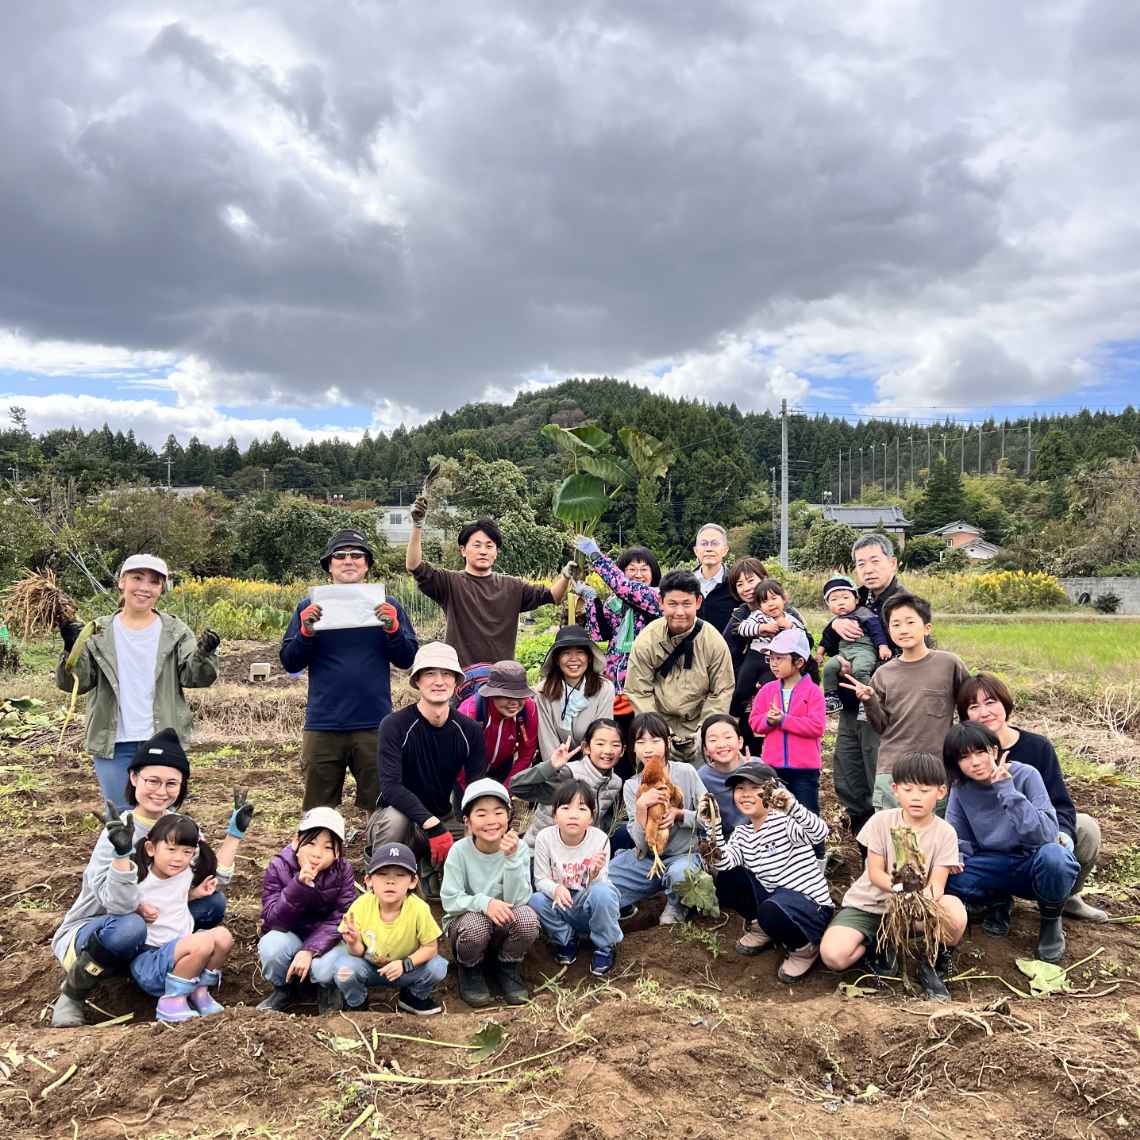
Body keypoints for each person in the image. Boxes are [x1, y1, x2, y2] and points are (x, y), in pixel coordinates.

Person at [49, 728, 226, 1028]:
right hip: (101, 928)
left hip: (152, 928)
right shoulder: (119, 830)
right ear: (134, 778)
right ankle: (73, 994)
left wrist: (234, 836)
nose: (161, 791)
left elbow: (207, 879)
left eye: (171, 783)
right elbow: (115, 905)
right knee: (130, 926)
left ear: (182, 786)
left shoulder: (182, 827)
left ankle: (168, 971)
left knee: (213, 904)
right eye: (152, 781)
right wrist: (122, 855)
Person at [56, 554, 219, 812]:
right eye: (137, 578)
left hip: (162, 738)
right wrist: (70, 648)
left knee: (162, 815)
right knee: (121, 817)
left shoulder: (175, 631)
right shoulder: (98, 631)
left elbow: (195, 677)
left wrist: (204, 654)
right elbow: (76, 683)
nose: (145, 587)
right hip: (113, 741)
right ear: (122, 582)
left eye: (154, 582)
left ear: (161, 589)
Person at [280, 528, 417, 814]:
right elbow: (291, 662)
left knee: (382, 808)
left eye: (357, 555)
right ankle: (321, 846)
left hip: (375, 723)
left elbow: (407, 659)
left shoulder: (386, 606)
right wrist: (306, 632)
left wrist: (392, 629)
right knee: (318, 811)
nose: (348, 560)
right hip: (323, 724)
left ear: (367, 565)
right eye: (340, 556)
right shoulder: (310, 607)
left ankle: (376, 845)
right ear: (329, 566)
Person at [958, 673, 1106, 924]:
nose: (984, 713)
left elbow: (1060, 803)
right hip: (990, 840)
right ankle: (994, 896)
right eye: (974, 707)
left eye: (991, 702)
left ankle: (1066, 895)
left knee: (1085, 828)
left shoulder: (1037, 748)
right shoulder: (964, 754)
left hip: (1036, 831)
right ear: (965, 715)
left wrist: (1060, 837)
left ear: (1005, 703)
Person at [820, 751, 968, 1000]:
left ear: (941, 792)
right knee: (834, 956)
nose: (916, 797)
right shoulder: (881, 821)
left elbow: (937, 884)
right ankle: (877, 945)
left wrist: (918, 900)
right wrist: (902, 889)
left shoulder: (945, 833)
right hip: (871, 905)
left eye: (924, 790)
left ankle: (932, 963)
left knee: (954, 912)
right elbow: (875, 873)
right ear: (895, 790)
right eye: (908, 789)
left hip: (915, 908)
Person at [943, 723, 1080, 964]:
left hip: (1032, 861)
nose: (975, 762)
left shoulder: (1026, 775)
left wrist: (1006, 789)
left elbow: (1046, 835)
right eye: (964, 757)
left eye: (980, 752)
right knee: (947, 873)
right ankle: (996, 900)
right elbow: (958, 837)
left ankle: (1050, 919)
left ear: (994, 751)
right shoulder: (961, 788)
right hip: (994, 864)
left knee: (1056, 858)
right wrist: (957, 860)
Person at [700, 761, 833, 982]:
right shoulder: (741, 833)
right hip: (775, 902)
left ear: (771, 792)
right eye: (740, 788)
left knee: (772, 910)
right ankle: (762, 928)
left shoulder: (785, 822)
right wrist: (712, 825)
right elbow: (723, 863)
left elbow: (820, 833)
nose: (746, 794)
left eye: (755, 788)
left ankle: (805, 947)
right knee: (728, 879)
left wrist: (793, 807)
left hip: (810, 907)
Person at [368, 643, 486, 883]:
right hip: (400, 818)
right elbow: (391, 788)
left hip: (442, 817)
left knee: (481, 834)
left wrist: (474, 823)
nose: (439, 681)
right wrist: (432, 825)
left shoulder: (469, 730)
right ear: (417, 681)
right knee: (395, 821)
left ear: (456, 682)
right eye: (430, 673)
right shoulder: (394, 725)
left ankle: (432, 871)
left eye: (446, 674)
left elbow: (476, 786)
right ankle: (381, 876)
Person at [121, 807, 251, 1023]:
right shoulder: (140, 876)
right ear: (151, 848)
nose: (178, 858)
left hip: (181, 954)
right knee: (202, 943)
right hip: (150, 961)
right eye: (171, 849)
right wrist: (137, 908)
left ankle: (199, 992)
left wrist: (235, 834)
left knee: (223, 937)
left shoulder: (185, 873)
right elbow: (117, 900)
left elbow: (220, 874)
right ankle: (171, 1001)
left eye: (186, 852)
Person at [841, 593, 969, 810]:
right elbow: (880, 727)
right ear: (889, 631)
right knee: (892, 829)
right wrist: (870, 701)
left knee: (933, 829)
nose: (903, 629)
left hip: (935, 768)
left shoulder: (949, 664)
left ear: (927, 628)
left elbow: (968, 707)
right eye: (896, 624)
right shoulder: (883, 674)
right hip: (893, 768)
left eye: (910, 622)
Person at [406, 507, 572, 666]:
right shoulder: (449, 582)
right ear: (463, 550)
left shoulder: (513, 587)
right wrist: (417, 525)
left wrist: (565, 576)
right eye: (477, 545)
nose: (483, 551)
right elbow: (414, 566)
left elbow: (553, 596)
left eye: (489, 546)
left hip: (500, 679)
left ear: (496, 552)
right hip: (462, 677)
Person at [828, 534, 907, 836]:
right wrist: (834, 624)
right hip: (851, 702)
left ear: (892, 563)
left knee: (881, 776)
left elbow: (911, 653)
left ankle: (890, 849)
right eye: (861, 564)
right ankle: (865, 849)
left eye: (875, 561)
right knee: (849, 774)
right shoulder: (854, 598)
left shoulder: (903, 603)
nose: (868, 569)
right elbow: (829, 640)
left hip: (884, 707)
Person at [319, 842, 448, 1016]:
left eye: (400, 875)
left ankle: (412, 997)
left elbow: (430, 948)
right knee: (344, 970)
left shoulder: (419, 909)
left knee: (438, 967)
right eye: (382, 874)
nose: (390, 881)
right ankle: (358, 1003)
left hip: (406, 969)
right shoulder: (361, 906)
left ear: (412, 882)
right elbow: (358, 953)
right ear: (369, 880)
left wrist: (405, 964)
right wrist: (353, 942)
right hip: (370, 968)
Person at [441, 778, 539, 1007]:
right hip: (468, 927)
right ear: (467, 820)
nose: (491, 821)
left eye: (498, 812)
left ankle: (507, 965)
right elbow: (450, 900)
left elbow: (519, 900)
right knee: (476, 924)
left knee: (527, 918)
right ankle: (470, 968)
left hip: (503, 925)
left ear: (508, 816)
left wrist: (511, 859)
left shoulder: (519, 848)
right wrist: (485, 903)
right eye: (481, 814)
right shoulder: (459, 851)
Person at [624, 570, 734, 763]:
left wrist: (704, 732)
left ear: (698, 602)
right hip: (658, 728)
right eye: (673, 604)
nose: (680, 612)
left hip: (699, 726)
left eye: (686, 604)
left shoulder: (713, 641)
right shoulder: (647, 640)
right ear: (661, 602)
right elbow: (638, 691)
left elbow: (722, 691)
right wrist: (660, 734)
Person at [606, 713, 707, 923]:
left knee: (680, 874)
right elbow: (642, 844)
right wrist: (641, 807)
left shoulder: (686, 772)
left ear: (667, 743)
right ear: (632, 748)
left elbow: (710, 818)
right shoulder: (632, 785)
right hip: (647, 859)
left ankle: (676, 904)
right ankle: (620, 907)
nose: (648, 749)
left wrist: (680, 815)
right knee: (604, 881)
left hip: (683, 855)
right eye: (640, 742)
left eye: (655, 741)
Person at [257, 807, 357, 1014]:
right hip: (292, 936)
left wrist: (309, 950)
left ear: (337, 853)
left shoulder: (343, 870)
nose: (317, 853)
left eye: (328, 847)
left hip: (327, 942)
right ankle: (284, 990)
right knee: (272, 946)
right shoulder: (278, 866)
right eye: (311, 843)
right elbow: (272, 920)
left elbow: (341, 916)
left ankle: (327, 989)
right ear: (296, 841)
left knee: (324, 969)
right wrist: (299, 886)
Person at [574, 535, 661, 764]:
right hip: (615, 684)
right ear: (623, 571)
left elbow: (624, 588)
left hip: (643, 686)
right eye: (632, 569)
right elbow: (600, 634)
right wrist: (592, 599)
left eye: (644, 569)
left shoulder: (656, 597)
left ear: (654, 573)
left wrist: (596, 555)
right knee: (615, 740)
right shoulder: (615, 603)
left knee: (642, 739)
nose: (638, 574)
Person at [748, 629, 827, 862]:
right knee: (774, 815)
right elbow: (755, 722)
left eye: (780, 658)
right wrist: (768, 721)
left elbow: (817, 727)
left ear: (799, 662)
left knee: (807, 814)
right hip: (773, 768)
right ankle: (781, 862)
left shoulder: (813, 692)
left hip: (804, 769)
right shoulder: (767, 690)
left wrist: (783, 720)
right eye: (771, 658)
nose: (774, 663)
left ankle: (816, 861)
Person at [529, 781, 623, 976]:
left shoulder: (599, 839)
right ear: (554, 814)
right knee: (535, 900)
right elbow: (540, 880)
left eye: (581, 808)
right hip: (561, 903)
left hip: (587, 904)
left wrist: (593, 874)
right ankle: (566, 939)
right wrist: (555, 889)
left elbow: (601, 887)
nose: (573, 815)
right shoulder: (545, 838)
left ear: (592, 816)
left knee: (603, 892)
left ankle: (605, 945)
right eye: (565, 808)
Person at [696, 714, 763, 950]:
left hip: (763, 840)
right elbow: (700, 817)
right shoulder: (702, 777)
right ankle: (757, 922)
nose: (721, 744)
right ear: (706, 749)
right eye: (713, 739)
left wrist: (755, 778)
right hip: (731, 847)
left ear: (740, 740)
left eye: (728, 737)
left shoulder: (757, 765)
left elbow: (781, 806)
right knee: (728, 880)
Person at [724, 577, 812, 752]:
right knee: (741, 688)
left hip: (773, 661)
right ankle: (733, 718)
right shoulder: (758, 616)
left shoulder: (791, 619)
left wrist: (789, 628)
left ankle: (764, 723)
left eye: (774, 598)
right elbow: (741, 628)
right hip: (755, 656)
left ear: (784, 599)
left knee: (768, 691)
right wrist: (761, 628)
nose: (770, 604)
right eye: (764, 601)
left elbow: (803, 640)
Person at [512, 717, 626, 848]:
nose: (608, 750)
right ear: (586, 747)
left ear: (622, 750)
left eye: (615, 745)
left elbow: (601, 819)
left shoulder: (615, 783)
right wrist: (550, 766)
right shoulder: (568, 774)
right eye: (600, 744)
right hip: (542, 850)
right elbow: (517, 787)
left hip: (579, 852)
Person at [535, 626, 616, 761]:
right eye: (566, 653)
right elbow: (547, 740)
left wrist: (586, 770)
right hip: (556, 763)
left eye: (580, 652)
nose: (573, 659)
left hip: (595, 763)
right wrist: (557, 768)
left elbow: (602, 735)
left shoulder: (604, 688)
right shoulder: (543, 691)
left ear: (589, 658)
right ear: (557, 659)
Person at [817, 575, 892, 715]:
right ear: (828, 604)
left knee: (860, 670)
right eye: (834, 599)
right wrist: (820, 653)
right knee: (829, 667)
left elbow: (876, 631)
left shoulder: (864, 613)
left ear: (856, 599)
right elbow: (826, 639)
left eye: (845, 598)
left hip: (864, 651)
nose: (841, 602)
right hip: (843, 652)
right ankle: (832, 697)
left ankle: (868, 699)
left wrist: (883, 646)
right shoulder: (834, 621)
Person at [457, 660, 539, 787]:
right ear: (491, 693)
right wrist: (472, 794)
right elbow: (459, 763)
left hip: (503, 766)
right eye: (506, 696)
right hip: (469, 769)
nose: (514, 703)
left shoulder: (529, 708)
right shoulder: (469, 713)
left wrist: (506, 790)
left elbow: (527, 753)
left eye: (519, 695)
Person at [691, 523, 736, 634]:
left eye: (715, 543)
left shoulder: (735, 584)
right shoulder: (684, 584)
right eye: (704, 544)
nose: (709, 548)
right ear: (696, 550)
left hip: (725, 645)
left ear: (725, 550)